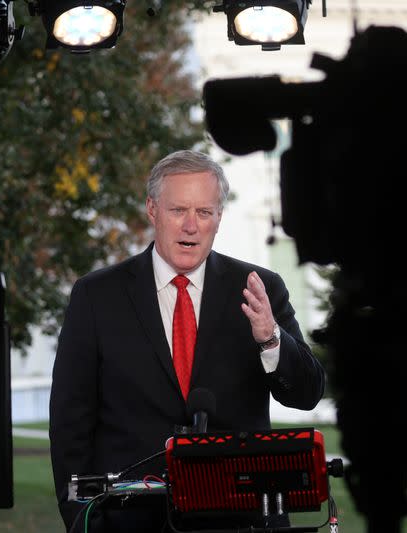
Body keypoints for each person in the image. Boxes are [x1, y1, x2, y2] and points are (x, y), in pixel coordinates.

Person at [49, 150, 326, 532]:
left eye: (204, 212)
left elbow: (307, 393)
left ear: (219, 218)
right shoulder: (96, 296)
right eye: (179, 210)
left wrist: (271, 339)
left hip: (240, 521)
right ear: (152, 210)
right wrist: (82, 520)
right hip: (129, 522)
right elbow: (69, 425)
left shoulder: (259, 289)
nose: (191, 226)